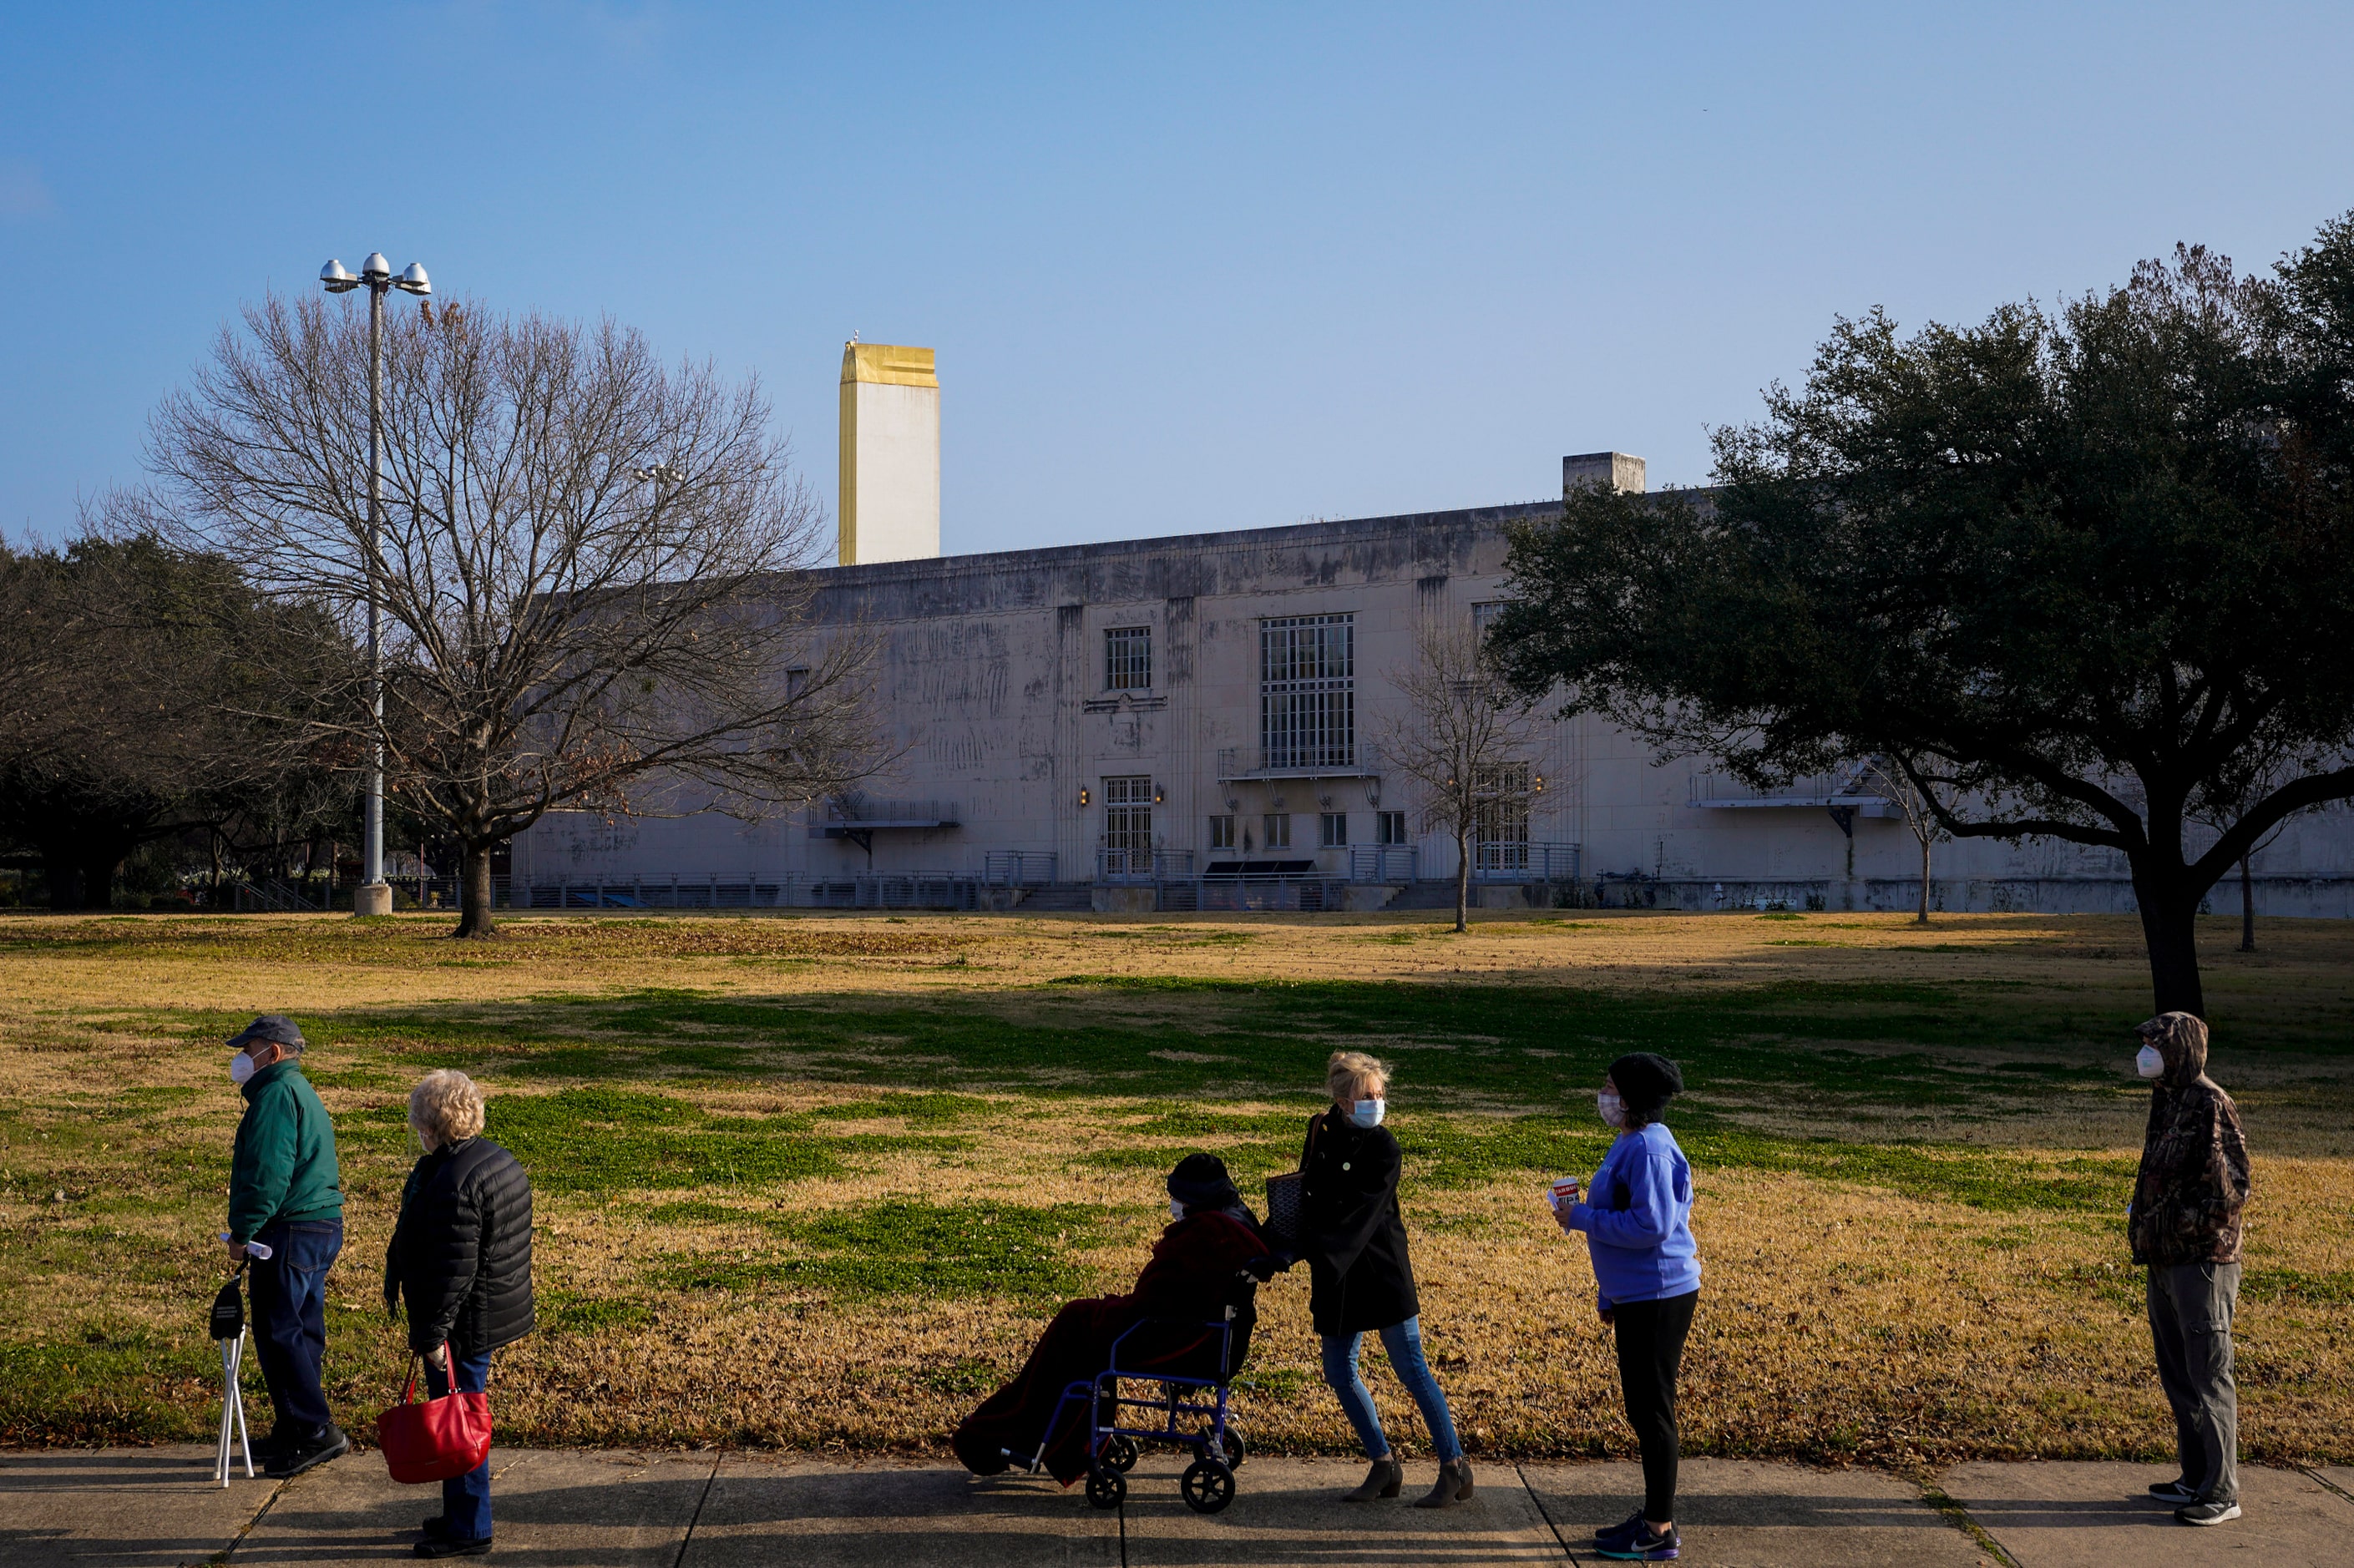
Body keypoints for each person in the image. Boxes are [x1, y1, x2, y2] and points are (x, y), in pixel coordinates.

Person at [954, 1154, 1271, 1484]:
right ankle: (1048, 1431)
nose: (1173, 1205)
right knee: (1076, 1321)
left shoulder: (1203, 1237)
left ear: (1195, 1199)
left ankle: (1022, 1434)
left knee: (1070, 1333)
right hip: (1206, 1338)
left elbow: (1152, 1306)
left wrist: (1105, 1312)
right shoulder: (1237, 1221)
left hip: (1171, 1338)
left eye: (1177, 1198)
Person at [1296, 1051, 1471, 1509]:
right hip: (1338, 1275)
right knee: (1338, 1370)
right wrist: (1285, 1242)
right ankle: (1383, 1464)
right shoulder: (1321, 1131)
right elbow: (1308, 1195)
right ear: (1341, 1100)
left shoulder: (1385, 1148)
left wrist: (1315, 1248)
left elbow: (1360, 1216)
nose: (1377, 1102)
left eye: (1380, 1094)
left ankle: (1454, 1466)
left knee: (1412, 1369)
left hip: (1381, 1271)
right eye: (1366, 1095)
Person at [1549, 1052, 1700, 1563]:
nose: (1604, 1094)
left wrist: (1581, 1218)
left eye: (1611, 1086)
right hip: (1637, 1294)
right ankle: (1654, 1516)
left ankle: (1659, 1530)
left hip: (1659, 1295)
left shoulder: (1650, 1150)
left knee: (1652, 1411)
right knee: (1643, 1407)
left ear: (1631, 1098)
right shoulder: (1632, 1142)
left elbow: (1650, 1227)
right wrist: (1609, 1294)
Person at [385, 1070, 535, 1560]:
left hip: (461, 1326)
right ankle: (458, 1513)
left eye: (420, 1126)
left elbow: (454, 1272)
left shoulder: (455, 1183)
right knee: (460, 1413)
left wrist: (431, 1336)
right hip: (484, 1315)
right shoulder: (495, 1160)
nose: (418, 1135)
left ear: (434, 1127)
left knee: (460, 1423)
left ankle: (471, 1527)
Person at [2129, 1012, 2250, 1529]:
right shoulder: (2168, 1098)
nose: (2145, 1054)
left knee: (2209, 1373)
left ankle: (2222, 1492)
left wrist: (2173, 1223)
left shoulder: (2209, 1103)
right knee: (2178, 1372)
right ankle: (2194, 1477)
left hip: (2201, 1263)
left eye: (2154, 1045)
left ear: (2178, 1049)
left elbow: (2229, 1192)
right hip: (2163, 1258)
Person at [220, 1014, 347, 1478]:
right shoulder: (300, 1090)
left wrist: (242, 1233)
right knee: (303, 1331)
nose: (241, 1059)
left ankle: (315, 1431)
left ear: (272, 1053)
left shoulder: (274, 1095)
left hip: (288, 1230)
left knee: (278, 1333)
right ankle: (297, 1425)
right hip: (319, 1225)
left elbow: (268, 1175)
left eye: (248, 1049)